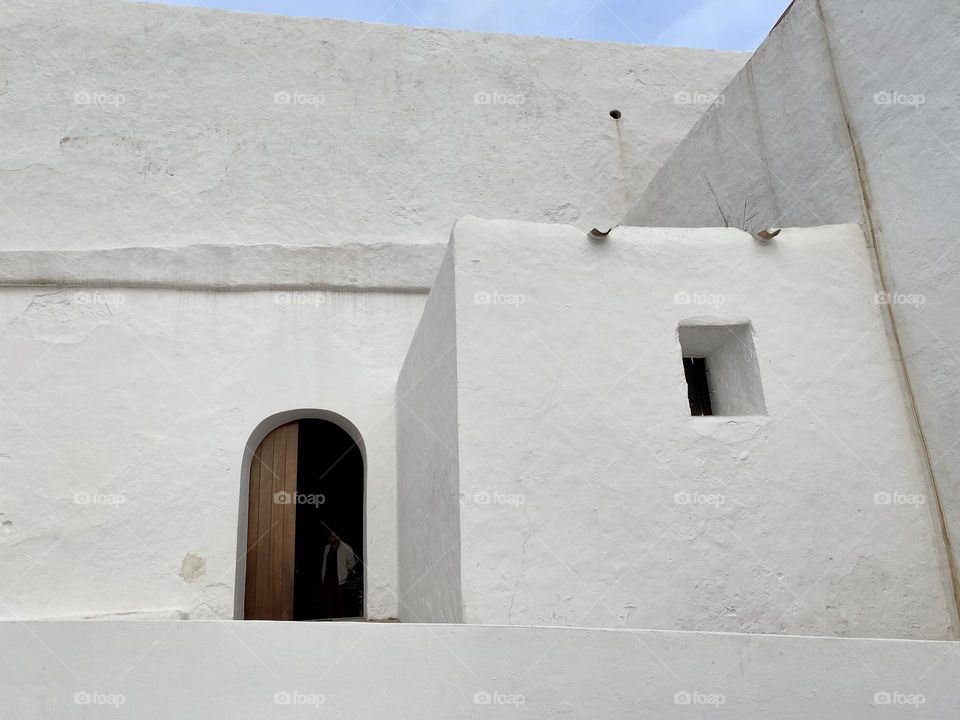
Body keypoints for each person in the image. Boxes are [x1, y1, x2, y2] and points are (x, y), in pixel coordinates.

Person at [320, 531, 356, 618]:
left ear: (337, 537)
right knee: (328, 602)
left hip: (340, 580)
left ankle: (341, 621)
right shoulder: (327, 548)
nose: (329, 538)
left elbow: (351, 563)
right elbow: (324, 563)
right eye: (329, 536)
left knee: (340, 602)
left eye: (332, 537)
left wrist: (345, 572)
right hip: (328, 579)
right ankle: (328, 622)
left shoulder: (346, 547)